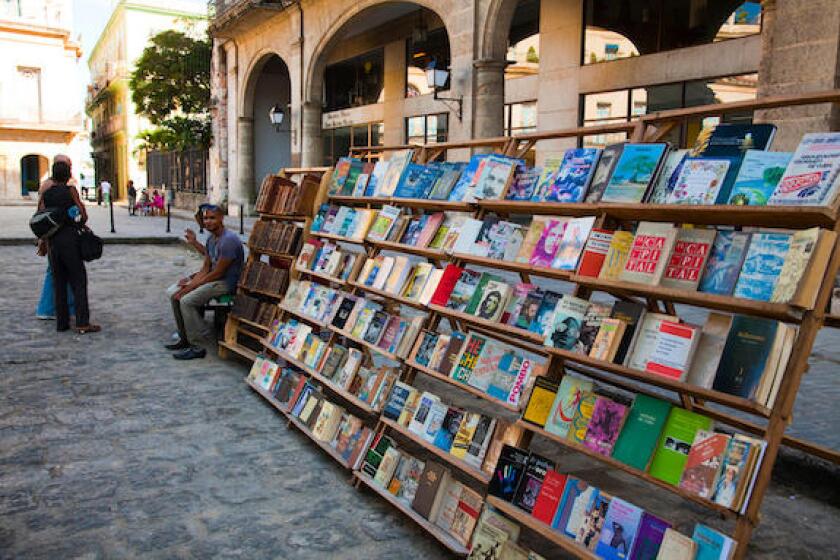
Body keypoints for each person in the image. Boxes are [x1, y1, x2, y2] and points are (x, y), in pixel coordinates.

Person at [165, 205, 243, 359]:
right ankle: (185, 337)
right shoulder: (211, 239)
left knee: (186, 301)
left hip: (226, 283)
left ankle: (198, 345)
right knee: (175, 295)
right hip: (214, 278)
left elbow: (217, 273)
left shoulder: (228, 240)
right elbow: (206, 267)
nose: (208, 222)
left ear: (221, 218)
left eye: (212, 218)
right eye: (206, 218)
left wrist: (191, 288)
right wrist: (190, 283)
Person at [38, 160, 100, 333]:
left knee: (59, 283)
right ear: (68, 175)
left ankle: (62, 323)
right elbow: (82, 213)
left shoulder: (47, 194)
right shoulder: (70, 191)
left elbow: (41, 215)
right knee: (78, 281)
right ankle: (82, 322)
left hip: (53, 242)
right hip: (70, 241)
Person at [36, 154, 75, 320]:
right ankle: (47, 308)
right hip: (54, 234)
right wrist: (42, 239)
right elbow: (41, 213)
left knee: (58, 271)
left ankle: (64, 307)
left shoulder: (53, 185)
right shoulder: (50, 186)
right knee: (54, 271)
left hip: (55, 234)